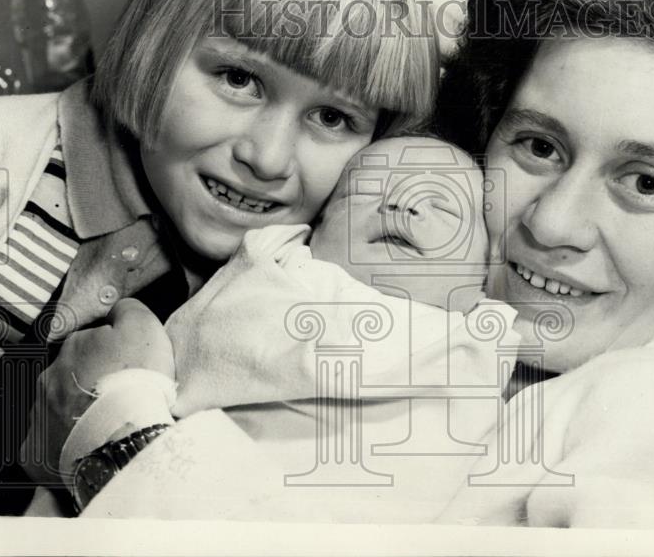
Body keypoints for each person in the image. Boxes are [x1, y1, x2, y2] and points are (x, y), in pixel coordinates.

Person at [22, 0, 654, 529]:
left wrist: (121, 441)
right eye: (538, 147)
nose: (553, 224)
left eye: (645, 182)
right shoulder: (429, 313)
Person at [0, 0, 439, 515]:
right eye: (238, 78)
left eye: (331, 118)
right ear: (154, 40)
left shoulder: (314, 275)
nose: (266, 158)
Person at [36, 135, 517, 520]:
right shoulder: (276, 274)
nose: (402, 207)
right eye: (366, 194)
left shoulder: (469, 344)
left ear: (483, 274)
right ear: (315, 231)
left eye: (446, 210)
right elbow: (204, 349)